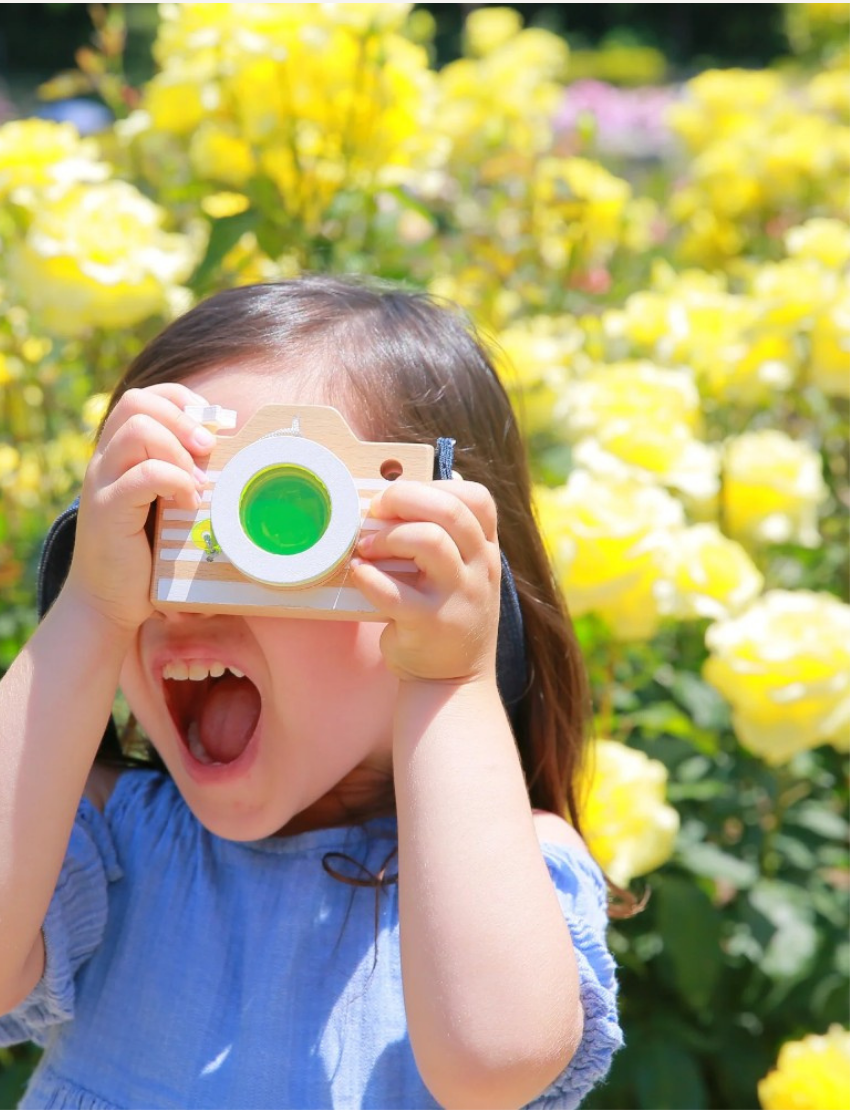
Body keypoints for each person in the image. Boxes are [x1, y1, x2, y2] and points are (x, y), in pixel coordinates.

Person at [0, 277, 630, 1109]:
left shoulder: (502, 872)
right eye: (158, 524)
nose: (182, 595)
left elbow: (493, 1062)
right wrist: (91, 607)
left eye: (279, 527)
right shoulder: (104, 843)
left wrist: (449, 678)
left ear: (434, 580)